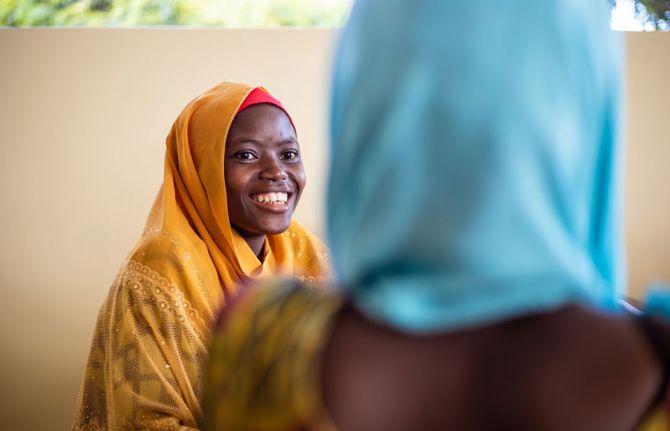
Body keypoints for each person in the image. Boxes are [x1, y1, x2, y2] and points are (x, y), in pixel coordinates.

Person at [201, 1, 670, 430]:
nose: (276, 174)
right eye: (245, 155)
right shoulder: (650, 365)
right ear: (586, 109)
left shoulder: (261, 346)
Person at [72, 81, 331, 430]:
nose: (276, 172)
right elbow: (147, 422)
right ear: (200, 168)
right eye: (246, 155)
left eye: (289, 154)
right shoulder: (158, 274)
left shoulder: (306, 253)